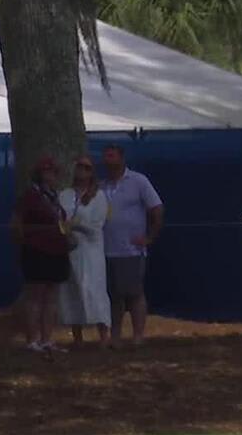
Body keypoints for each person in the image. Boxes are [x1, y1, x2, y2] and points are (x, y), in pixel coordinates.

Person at [100, 143, 164, 347]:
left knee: (134, 294)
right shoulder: (101, 186)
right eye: (105, 156)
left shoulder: (138, 181)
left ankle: (138, 335)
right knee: (114, 296)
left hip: (131, 250)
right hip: (105, 250)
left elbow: (156, 208)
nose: (108, 160)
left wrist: (150, 237)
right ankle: (116, 336)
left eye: (112, 156)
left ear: (121, 158)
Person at [12, 156, 69, 351]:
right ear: (40, 175)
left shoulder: (55, 196)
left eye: (54, 172)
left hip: (57, 250)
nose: (52, 176)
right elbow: (18, 222)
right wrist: (24, 243)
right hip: (36, 250)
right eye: (48, 172)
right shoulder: (31, 196)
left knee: (52, 296)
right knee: (35, 295)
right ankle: (33, 339)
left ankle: (47, 339)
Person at [57, 154, 111, 346]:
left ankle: (104, 335)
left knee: (94, 289)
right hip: (71, 249)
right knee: (72, 289)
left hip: (91, 249)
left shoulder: (99, 196)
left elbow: (98, 224)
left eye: (87, 168)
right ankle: (77, 336)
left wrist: (77, 224)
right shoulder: (65, 195)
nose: (82, 171)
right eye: (79, 167)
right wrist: (66, 230)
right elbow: (60, 218)